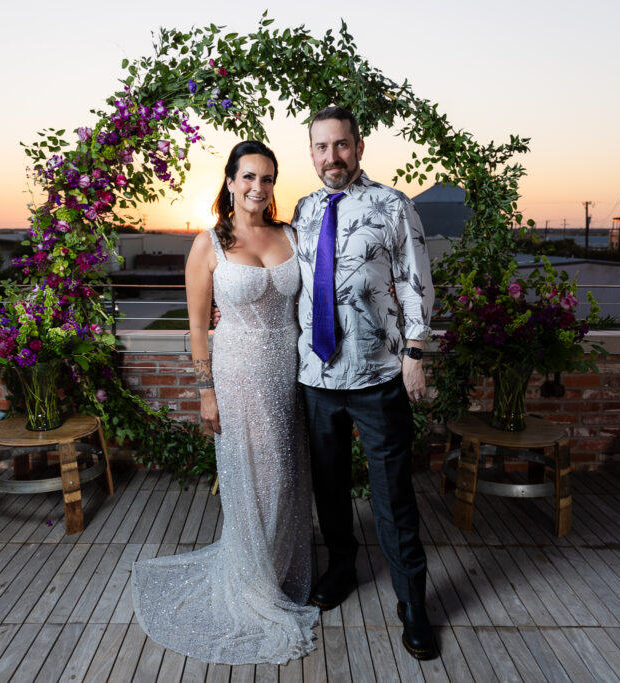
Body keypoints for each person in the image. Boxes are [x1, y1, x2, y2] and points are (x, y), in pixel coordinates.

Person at [130, 140, 318, 664]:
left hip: (289, 369)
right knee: (251, 476)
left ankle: (277, 568)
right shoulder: (208, 243)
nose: (259, 188)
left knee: (284, 472)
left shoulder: (290, 236)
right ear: (231, 181)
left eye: (268, 179)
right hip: (236, 373)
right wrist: (204, 390)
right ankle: (251, 583)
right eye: (249, 177)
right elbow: (196, 327)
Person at [292, 106, 438, 660]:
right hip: (316, 376)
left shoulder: (393, 205)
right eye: (322, 147)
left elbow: (416, 281)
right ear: (311, 153)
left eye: (342, 145)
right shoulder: (303, 211)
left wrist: (416, 352)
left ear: (360, 145)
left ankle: (412, 604)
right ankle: (342, 569)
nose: (333, 157)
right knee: (328, 486)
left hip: (379, 374)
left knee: (393, 495)